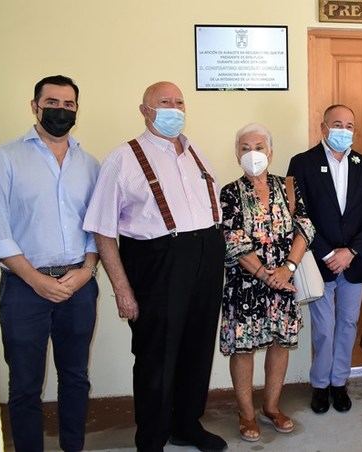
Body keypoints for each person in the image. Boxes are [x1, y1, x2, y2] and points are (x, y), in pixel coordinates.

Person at [83, 81, 226, 451]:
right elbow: (102, 230)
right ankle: (151, 438)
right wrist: (123, 290)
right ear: (145, 110)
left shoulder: (195, 153)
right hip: (158, 264)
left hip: (205, 257)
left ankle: (186, 424)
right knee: (155, 357)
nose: (174, 108)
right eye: (164, 102)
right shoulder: (124, 157)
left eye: (179, 101)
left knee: (197, 349)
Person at [0, 75, 100, 452]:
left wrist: (86, 271)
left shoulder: (90, 163)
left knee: (76, 378)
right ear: (34, 106)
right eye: (52, 102)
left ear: (77, 110)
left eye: (68, 104)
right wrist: (36, 280)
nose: (60, 110)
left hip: (78, 286)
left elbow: (96, 228)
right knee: (25, 385)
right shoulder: (6, 157)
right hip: (23, 288)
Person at [221, 123, 315, 442]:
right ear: (237, 153)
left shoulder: (288, 186)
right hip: (246, 284)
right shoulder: (230, 193)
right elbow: (233, 241)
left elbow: (305, 229)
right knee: (244, 348)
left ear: (270, 152)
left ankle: (271, 408)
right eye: (245, 148)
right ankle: (246, 414)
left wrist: (287, 269)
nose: (253, 154)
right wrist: (266, 275)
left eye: (259, 147)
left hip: (284, 281)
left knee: (280, 344)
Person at [287, 105, 362, 414]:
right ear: (323, 127)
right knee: (324, 327)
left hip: (353, 261)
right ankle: (320, 385)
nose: (344, 129)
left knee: (348, 323)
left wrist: (351, 251)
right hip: (319, 260)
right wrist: (328, 252)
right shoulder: (302, 163)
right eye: (337, 124)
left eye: (350, 125)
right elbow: (299, 214)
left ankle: (339, 382)